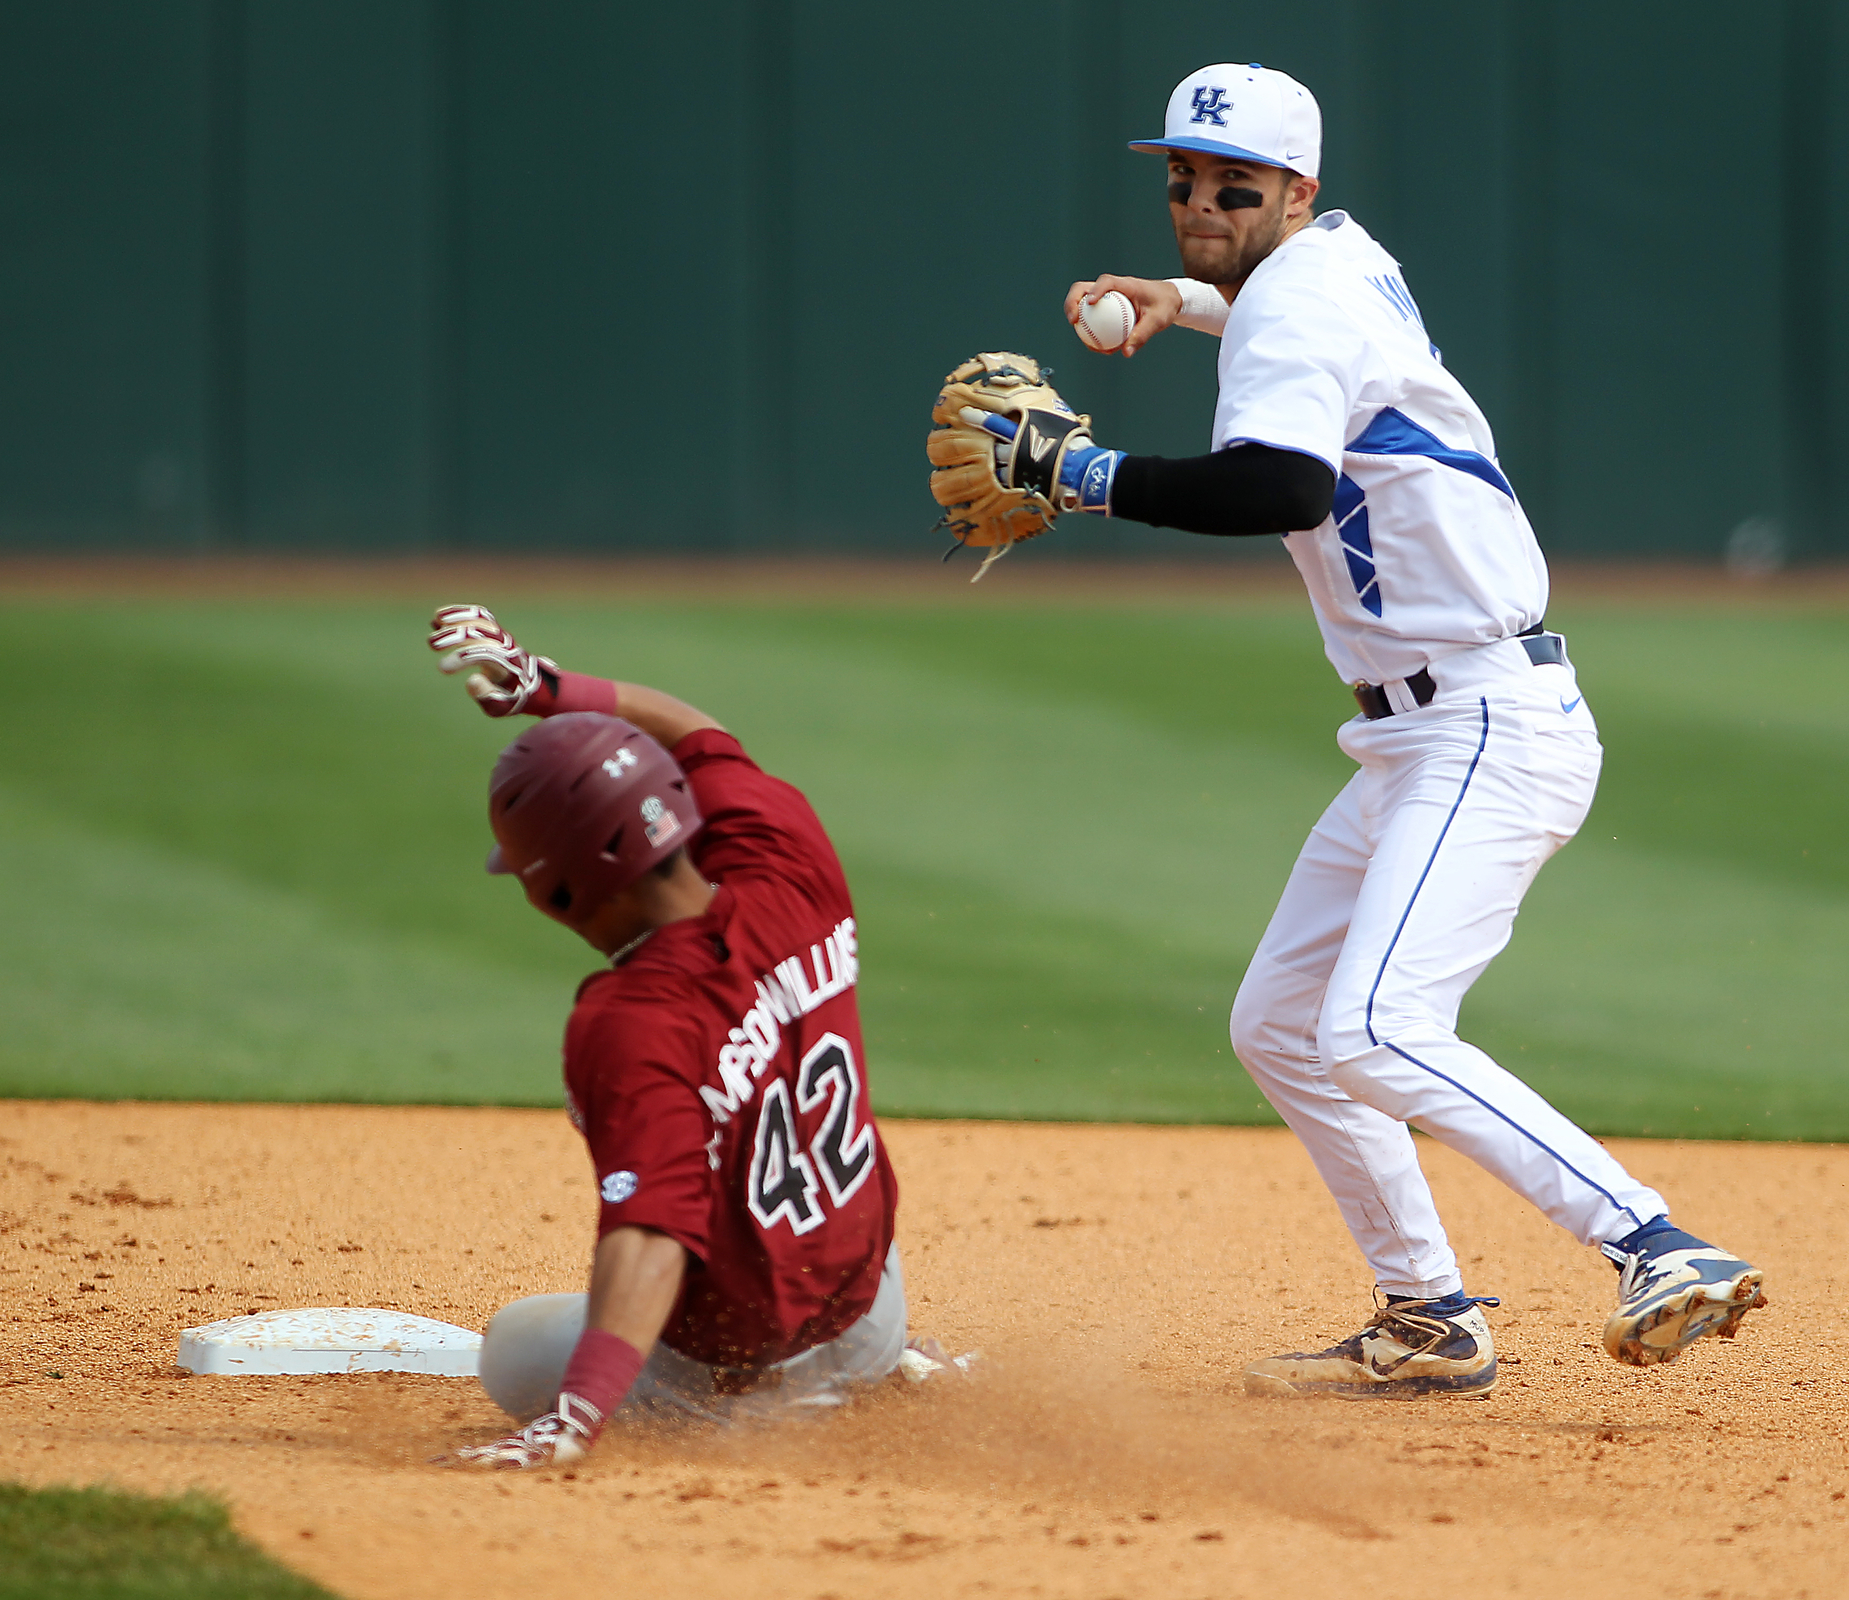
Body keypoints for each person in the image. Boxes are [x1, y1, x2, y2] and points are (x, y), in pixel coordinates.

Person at [1041, 64, 1766, 1396]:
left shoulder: (1300, 300)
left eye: (1233, 188)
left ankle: (1652, 1239)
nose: (1201, 203)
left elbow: (1274, 483)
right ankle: (1429, 1316)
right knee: (1283, 1024)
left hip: (1486, 723)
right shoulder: (1335, 263)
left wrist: (1085, 477)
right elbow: (1287, 315)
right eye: (1183, 182)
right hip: (1425, 728)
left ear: (1294, 191)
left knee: (1374, 1025)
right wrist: (1182, 301)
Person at [423, 605, 918, 1467]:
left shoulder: (630, 1019)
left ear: (561, 892)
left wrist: (573, 1417)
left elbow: (653, 1230)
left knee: (512, 1343)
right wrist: (546, 688)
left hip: (738, 1375)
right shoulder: (783, 847)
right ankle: (888, 1364)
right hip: (868, 1311)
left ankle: (759, 1413)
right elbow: (696, 729)